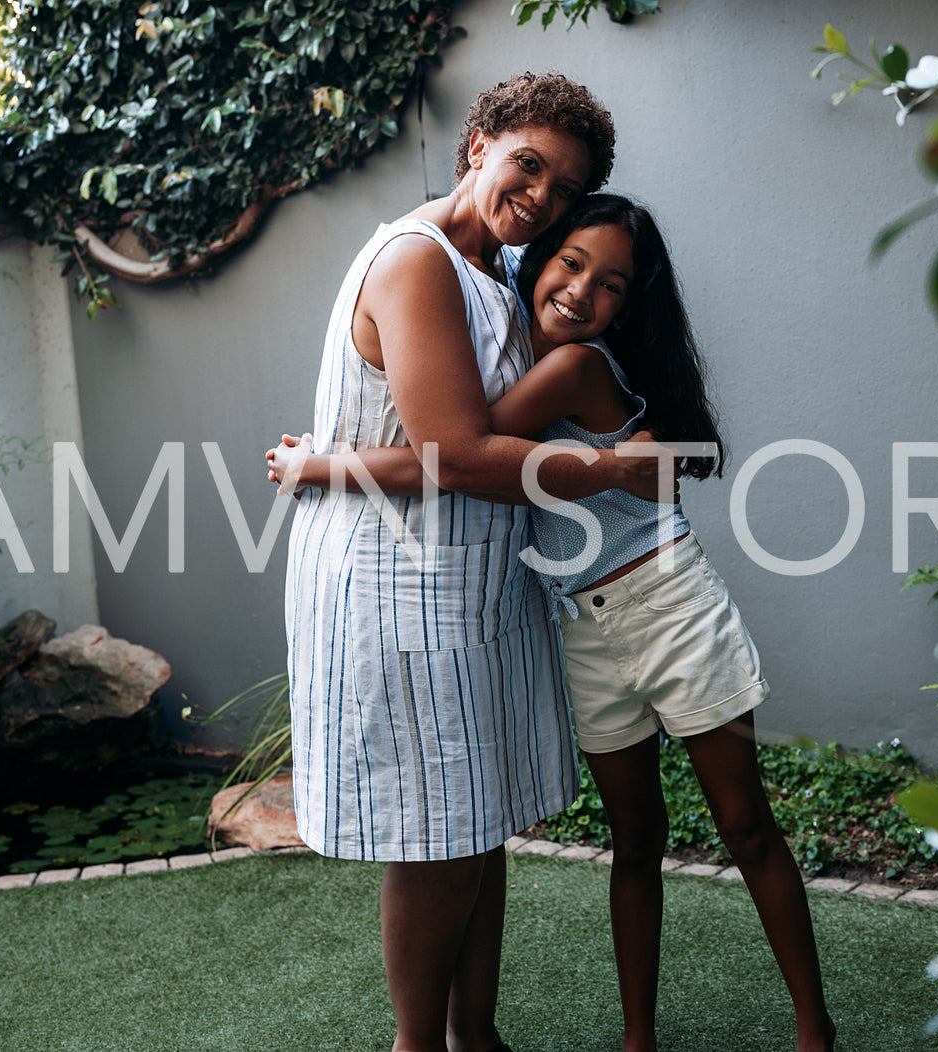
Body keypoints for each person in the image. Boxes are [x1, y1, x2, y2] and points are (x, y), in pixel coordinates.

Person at [272, 194, 837, 1052]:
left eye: (609, 285)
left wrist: (315, 462)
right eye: (569, 264)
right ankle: (637, 1040)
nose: (580, 294)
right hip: (582, 625)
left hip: (664, 602)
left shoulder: (574, 369)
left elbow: (452, 457)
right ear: (537, 261)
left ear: (625, 306)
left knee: (745, 826)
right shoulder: (496, 337)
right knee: (635, 838)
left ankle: (813, 1031)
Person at [281, 75, 663, 1052]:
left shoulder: (490, 266)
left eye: (563, 187)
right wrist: (606, 468)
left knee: (472, 817)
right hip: (396, 584)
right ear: (478, 144)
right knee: (435, 833)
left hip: (469, 582)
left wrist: (323, 457)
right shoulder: (417, 261)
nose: (538, 195)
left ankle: (475, 1033)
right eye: (525, 164)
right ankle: (420, 1044)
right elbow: (455, 454)